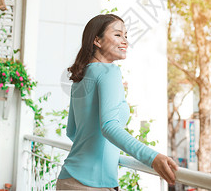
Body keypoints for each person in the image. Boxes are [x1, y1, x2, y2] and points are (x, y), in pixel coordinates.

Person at [56, 14, 178, 190]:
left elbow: (72, 131)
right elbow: (109, 126)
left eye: (126, 36)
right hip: (91, 185)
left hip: (67, 179)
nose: (125, 41)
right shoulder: (109, 72)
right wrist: (153, 158)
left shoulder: (80, 77)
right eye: (118, 35)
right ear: (97, 41)